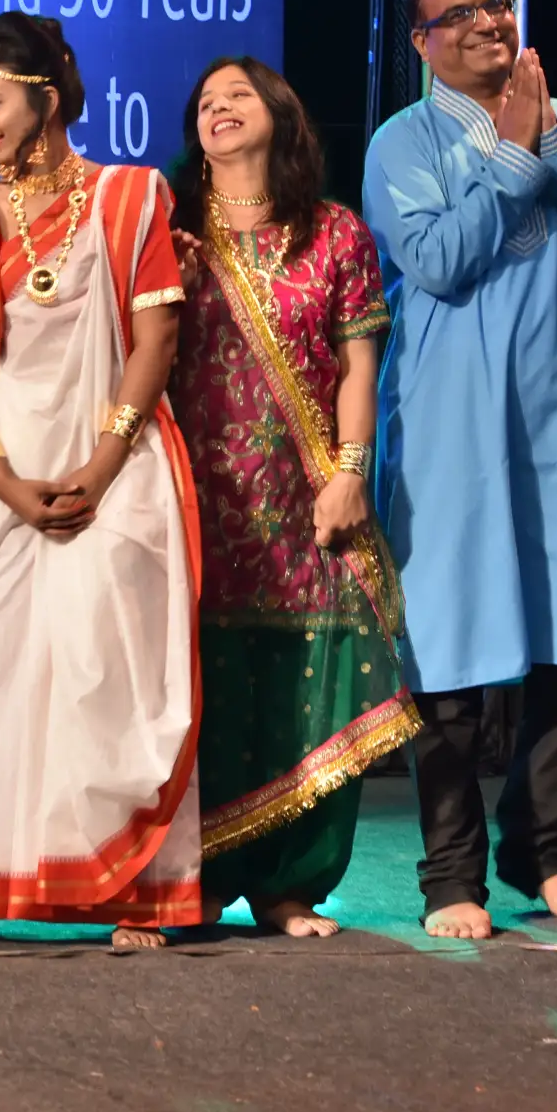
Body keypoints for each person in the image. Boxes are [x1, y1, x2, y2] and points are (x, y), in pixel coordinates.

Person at [0, 11, 201, 950]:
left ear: (45, 96)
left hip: (117, 461)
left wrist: (101, 461)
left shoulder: (132, 198)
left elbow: (156, 342)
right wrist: (4, 479)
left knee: (109, 669)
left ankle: (135, 893)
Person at [365, 0, 557, 938]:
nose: (491, 21)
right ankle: (450, 874)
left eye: (500, 3)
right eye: (463, 13)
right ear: (425, 43)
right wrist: (509, 154)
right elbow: (438, 262)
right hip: (452, 429)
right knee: (448, 655)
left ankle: (540, 856)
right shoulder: (400, 143)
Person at [166, 58, 418, 938]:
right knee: (204, 690)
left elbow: (359, 366)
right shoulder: (171, 230)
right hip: (199, 499)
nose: (220, 109)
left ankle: (287, 887)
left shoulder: (335, 232)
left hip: (307, 500)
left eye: (238, 95)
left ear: (282, 112)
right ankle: (188, 880)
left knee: (309, 682)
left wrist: (351, 470)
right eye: (205, 102)